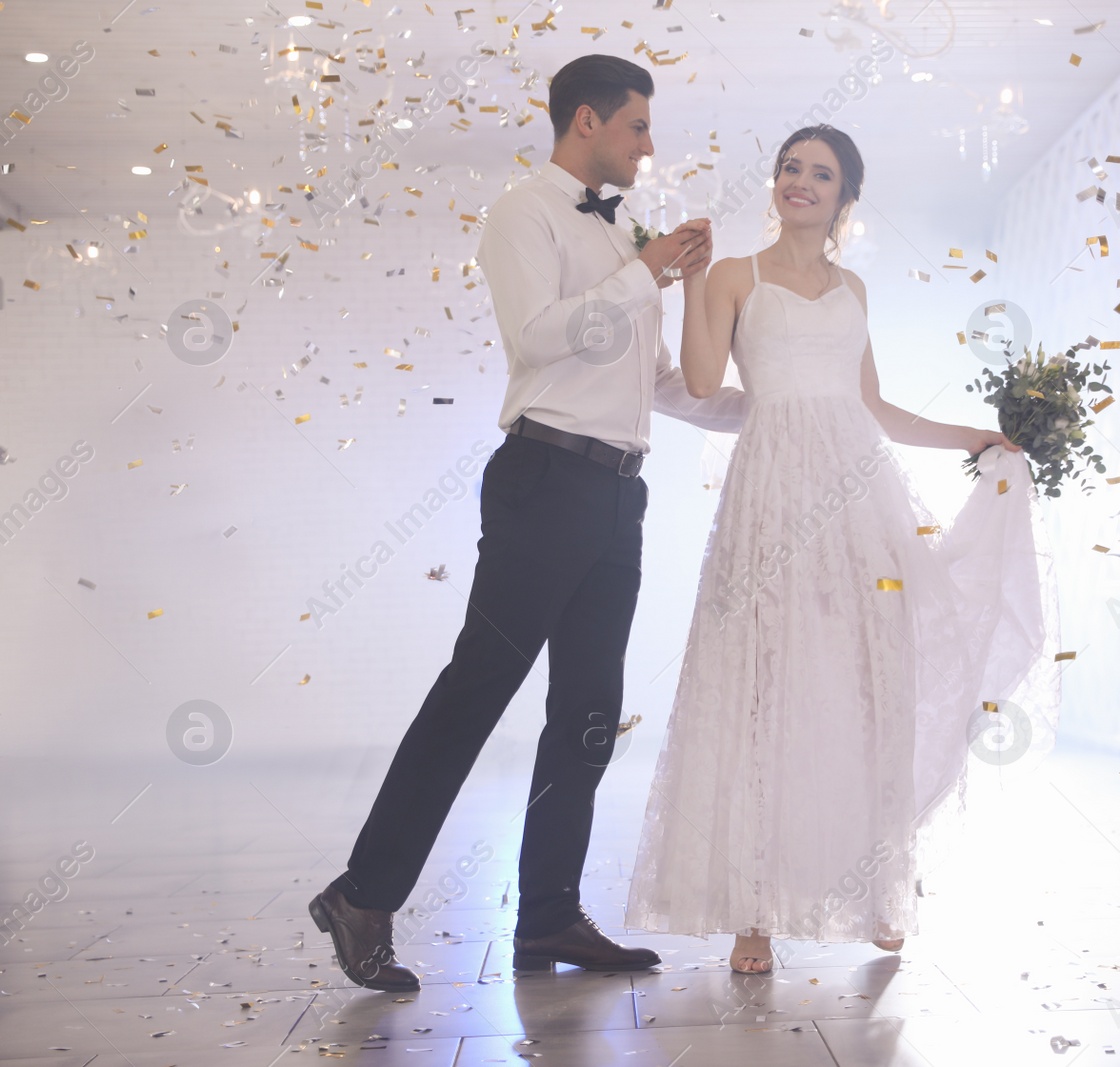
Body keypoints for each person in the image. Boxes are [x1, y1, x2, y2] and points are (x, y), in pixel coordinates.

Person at [308, 54, 744, 989]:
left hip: (620, 492)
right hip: (543, 479)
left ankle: (548, 915)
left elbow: (654, 382)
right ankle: (363, 894)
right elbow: (538, 338)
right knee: (477, 690)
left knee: (587, 717)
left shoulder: (628, 231)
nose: (648, 145)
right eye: (637, 126)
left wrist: (771, 407)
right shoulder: (525, 214)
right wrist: (647, 274)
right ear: (585, 122)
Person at [623, 125, 1057, 973]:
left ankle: (872, 891)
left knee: (865, 684)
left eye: (820, 174)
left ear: (845, 198)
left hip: (858, 498)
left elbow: (876, 410)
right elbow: (706, 383)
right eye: (790, 168)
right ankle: (753, 910)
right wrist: (695, 278)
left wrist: (975, 435)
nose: (800, 182)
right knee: (763, 686)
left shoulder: (854, 287)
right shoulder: (739, 276)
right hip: (772, 494)